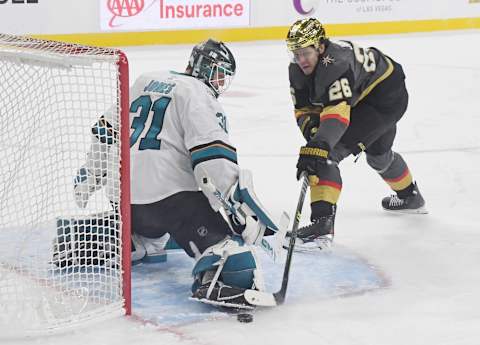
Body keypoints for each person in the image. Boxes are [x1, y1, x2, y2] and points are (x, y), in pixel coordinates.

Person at [71, 39, 279, 309]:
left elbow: (105, 129)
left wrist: (92, 173)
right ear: (202, 67)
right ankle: (220, 274)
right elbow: (213, 158)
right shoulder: (198, 94)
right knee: (233, 250)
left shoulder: (146, 79)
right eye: (217, 73)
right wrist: (237, 212)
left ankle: (130, 238)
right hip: (170, 203)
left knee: (156, 231)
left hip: (123, 201)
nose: (218, 81)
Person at [286, 18, 427, 250]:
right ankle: (411, 197)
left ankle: (321, 230)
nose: (300, 60)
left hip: (385, 97)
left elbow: (337, 115)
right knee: (378, 155)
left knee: (327, 154)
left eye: (305, 53)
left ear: (320, 47)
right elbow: (303, 109)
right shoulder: (297, 69)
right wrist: (314, 134)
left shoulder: (336, 64)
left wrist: (320, 144)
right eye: (295, 53)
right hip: (367, 95)